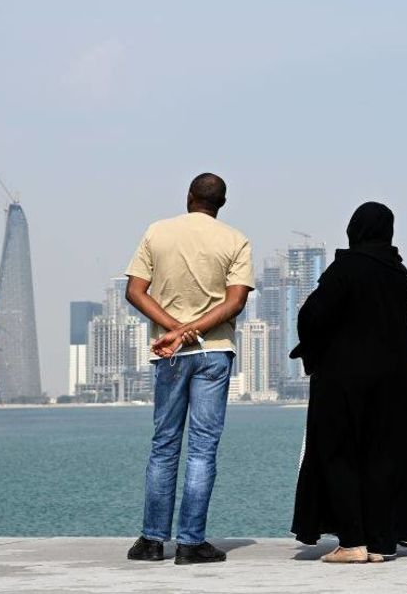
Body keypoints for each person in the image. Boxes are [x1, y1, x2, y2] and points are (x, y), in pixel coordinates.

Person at [123, 173, 254, 565]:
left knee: (164, 444)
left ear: (188, 197)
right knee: (202, 448)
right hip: (212, 351)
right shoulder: (236, 240)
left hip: (169, 354)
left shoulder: (157, 233)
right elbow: (235, 303)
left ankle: (151, 541)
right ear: (222, 203)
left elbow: (134, 290)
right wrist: (191, 331)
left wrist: (174, 332)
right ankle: (191, 543)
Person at [290, 201, 407, 564]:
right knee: (384, 458)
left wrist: (313, 349)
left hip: (345, 382)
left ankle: (352, 542)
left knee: (339, 454)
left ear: (355, 229)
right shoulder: (398, 276)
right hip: (395, 385)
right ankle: (381, 542)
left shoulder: (347, 268)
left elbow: (312, 315)